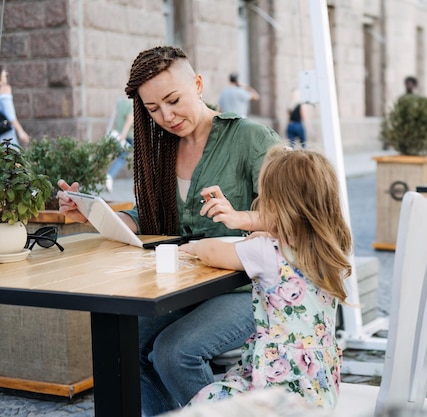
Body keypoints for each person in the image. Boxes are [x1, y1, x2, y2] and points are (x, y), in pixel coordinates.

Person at [56, 46, 282, 416]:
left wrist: (239, 216)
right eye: (153, 109)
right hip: (182, 287)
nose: (167, 116)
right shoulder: (160, 150)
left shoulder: (252, 139)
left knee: (175, 353)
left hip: (248, 287)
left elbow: (293, 215)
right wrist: (94, 215)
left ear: (197, 84)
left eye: (173, 100)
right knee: (123, 349)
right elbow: (150, 217)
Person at [180, 146, 352, 409]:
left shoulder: (268, 252)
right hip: (318, 383)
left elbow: (214, 252)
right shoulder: (330, 248)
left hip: (276, 386)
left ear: (279, 207)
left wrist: (192, 247)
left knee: (206, 402)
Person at [105, 95, 134, 192]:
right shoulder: (131, 103)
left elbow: (116, 118)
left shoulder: (120, 102)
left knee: (119, 157)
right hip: (128, 137)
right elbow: (129, 120)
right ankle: (109, 176)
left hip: (119, 135)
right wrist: (123, 135)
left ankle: (108, 176)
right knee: (122, 159)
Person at [0, 66, 29, 147]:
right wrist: (21, 131)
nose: (6, 75)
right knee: (11, 157)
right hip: (5, 133)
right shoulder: (4, 89)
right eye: (4, 74)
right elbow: (10, 114)